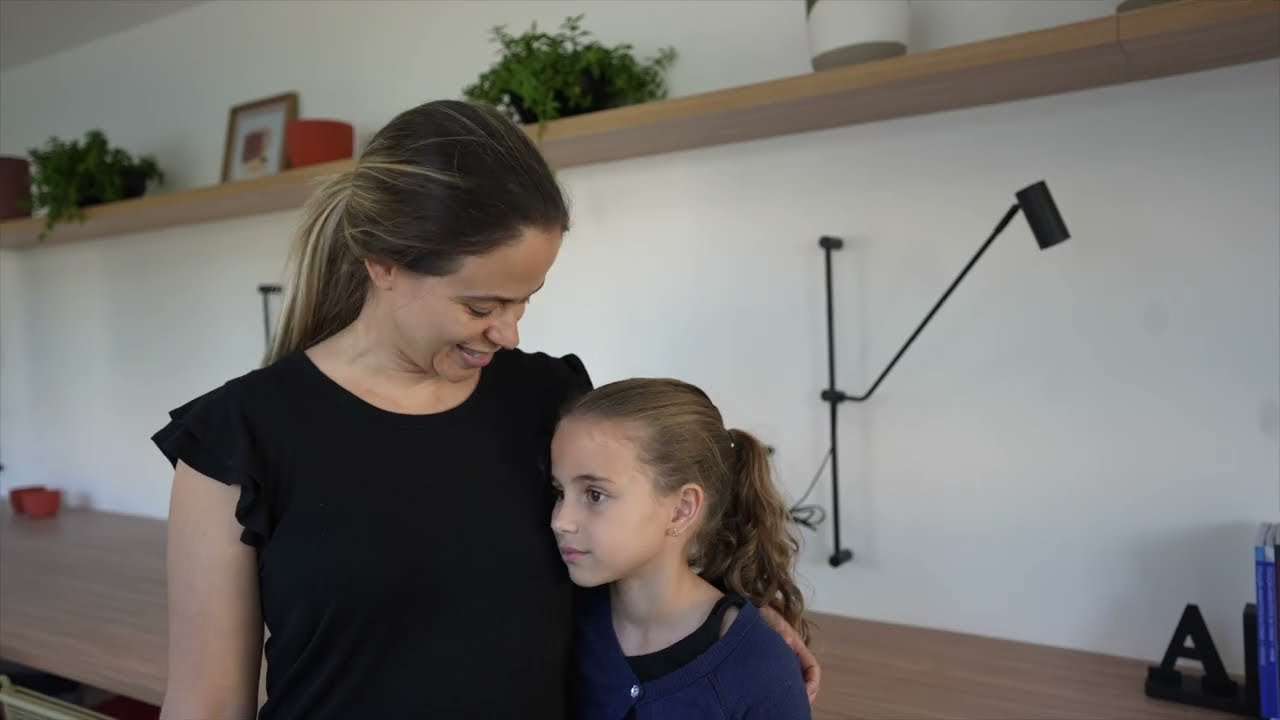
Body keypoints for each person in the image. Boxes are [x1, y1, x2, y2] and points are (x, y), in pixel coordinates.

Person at [153, 100, 818, 719]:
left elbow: (634, 554)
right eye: (481, 306)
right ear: (383, 264)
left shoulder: (549, 400)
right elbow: (205, 704)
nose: (510, 333)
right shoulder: (236, 440)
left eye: (525, 300)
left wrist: (734, 632)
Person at [552, 379, 811, 719]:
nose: (560, 521)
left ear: (682, 509)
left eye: (595, 495)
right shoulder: (563, 621)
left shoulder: (761, 669)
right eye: (559, 492)